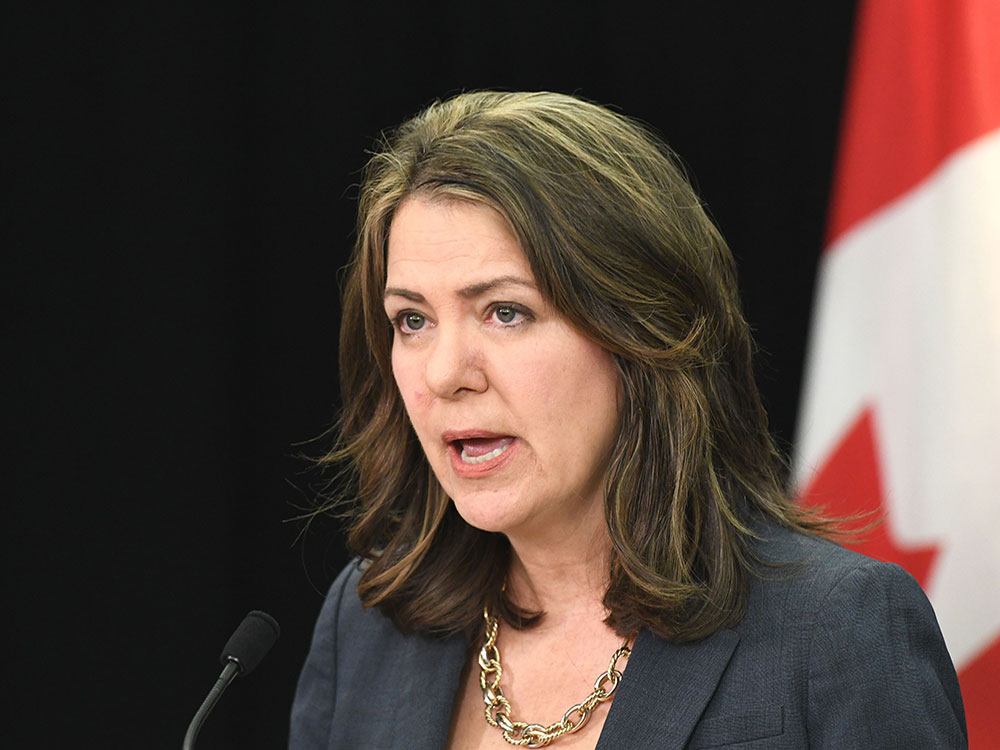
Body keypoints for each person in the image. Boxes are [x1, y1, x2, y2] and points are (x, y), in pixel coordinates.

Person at [289, 91, 966, 749]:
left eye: (505, 312)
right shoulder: (373, 621)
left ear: (639, 332)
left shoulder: (837, 630)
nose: (443, 374)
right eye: (412, 320)